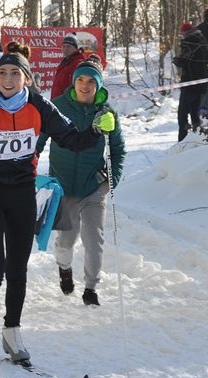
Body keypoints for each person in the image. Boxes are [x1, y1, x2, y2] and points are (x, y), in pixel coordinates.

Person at [0, 47, 115, 375]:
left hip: (23, 193)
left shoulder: (39, 105)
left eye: (15, 74)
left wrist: (97, 129)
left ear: (26, 78)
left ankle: (12, 333)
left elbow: (70, 137)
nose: (8, 79)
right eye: (3, 74)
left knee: (18, 269)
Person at [37, 55, 126, 306]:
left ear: (98, 86)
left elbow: (118, 149)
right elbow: (39, 140)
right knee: (66, 242)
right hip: (63, 186)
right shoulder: (56, 107)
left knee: (93, 239)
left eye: (91, 81)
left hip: (92, 187)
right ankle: (64, 269)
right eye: (81, 80)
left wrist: (113, 178)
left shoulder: (106, 113)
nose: (85, 85)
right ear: (74, 82)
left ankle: (91, 289)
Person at [174, 22, 208, 142]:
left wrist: (177, 60)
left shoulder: (189, 44)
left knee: (182, 115)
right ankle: (197, 140)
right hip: (201, 85)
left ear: (185, 33)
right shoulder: (203, 41)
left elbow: (184, 61)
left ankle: (182, 141)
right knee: (195, 114)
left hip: (189, 84)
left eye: (182, 34)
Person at [50, 33, 87, 100]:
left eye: (69, 46)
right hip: (57, 103)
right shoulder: (65, 62)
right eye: (64, 46)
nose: (65, 49)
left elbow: (76, 88)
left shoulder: (78, 63)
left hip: (67, 105)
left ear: (76, 48)